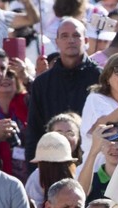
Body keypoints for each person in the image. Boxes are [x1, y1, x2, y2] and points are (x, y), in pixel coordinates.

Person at [25, 17, 101, 172]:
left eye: (76, 35)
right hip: (52, 165)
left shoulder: (101, 78)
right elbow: (34, 128)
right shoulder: (42, 83)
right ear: (57, 41)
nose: (71, 40)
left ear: (85, 40)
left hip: (93, 163)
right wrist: (34, 170)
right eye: (65, 36)